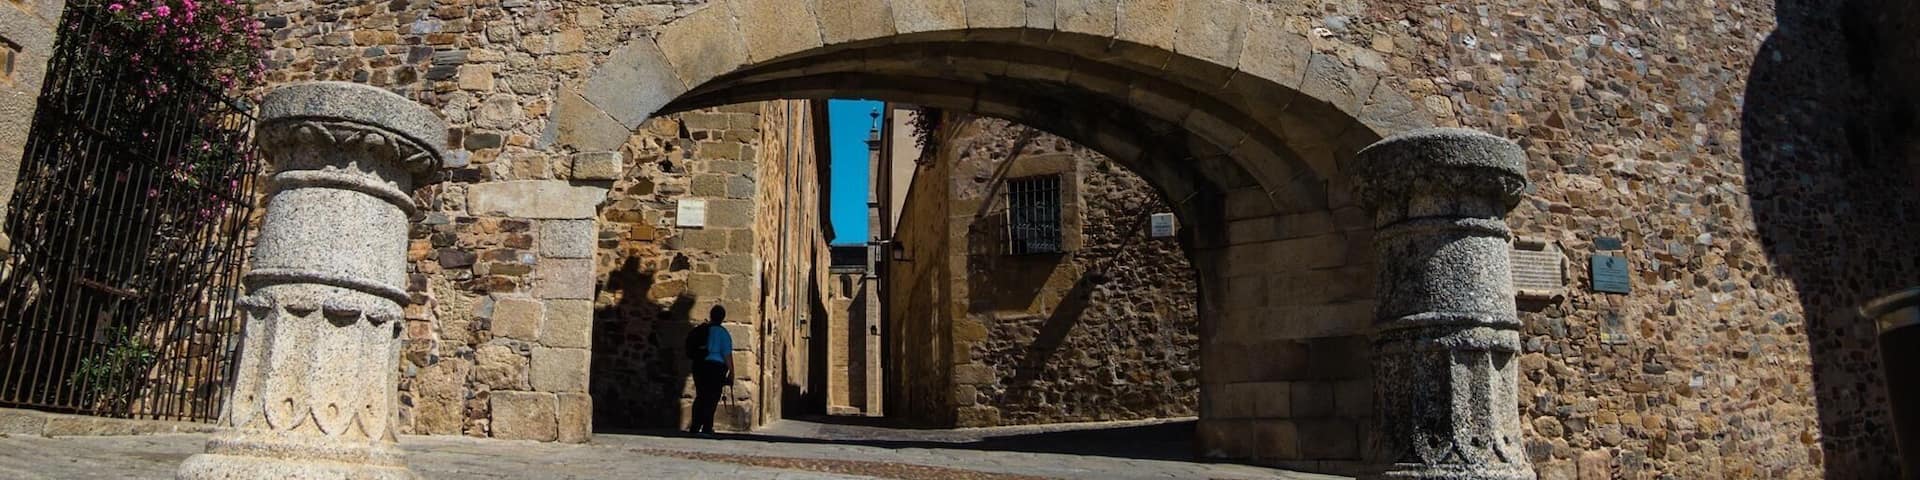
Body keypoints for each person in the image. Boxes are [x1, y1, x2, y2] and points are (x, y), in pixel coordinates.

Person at [684, 305, 733, 434]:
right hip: (716, 368)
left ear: (711, 315)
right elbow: (727, 355)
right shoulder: (724, 334)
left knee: (701, 395)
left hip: (700, 365)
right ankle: (707, 426)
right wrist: (732, 372)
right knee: (712, 397)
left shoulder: (702, 330)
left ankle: (695, 425)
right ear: (723, 318)